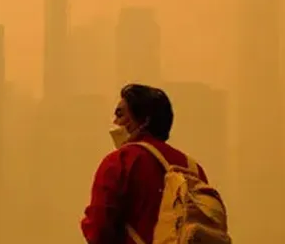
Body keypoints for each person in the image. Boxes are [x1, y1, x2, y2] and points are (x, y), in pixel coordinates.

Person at [81, 83, 208, 244]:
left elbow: (99, 229)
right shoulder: (193, 169)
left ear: (144, 121)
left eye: (120, 115)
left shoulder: (120, 161)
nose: (115, 122)